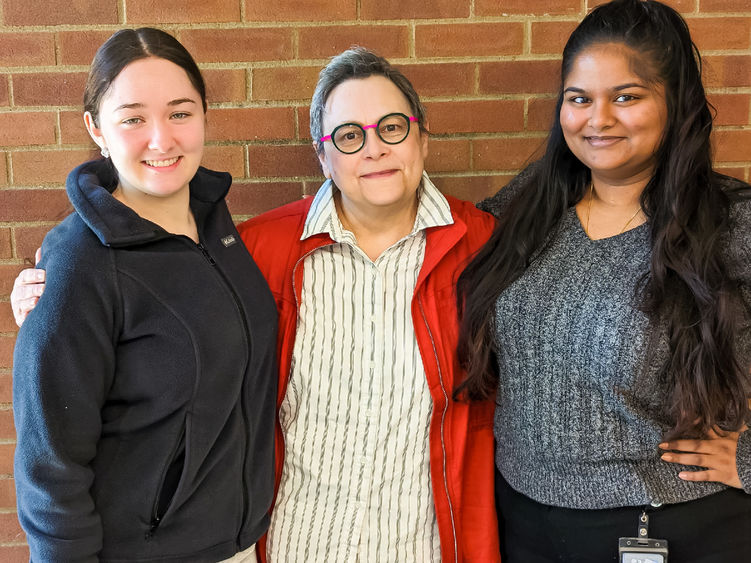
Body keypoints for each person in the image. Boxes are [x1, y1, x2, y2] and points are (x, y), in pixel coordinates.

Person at [11, 47, 500, 561]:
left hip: (415, 540)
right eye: (349, 135)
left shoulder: (486, 245)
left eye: (393, 127)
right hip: (289, 540)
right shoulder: (263, 248)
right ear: (322, 153)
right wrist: (58, 294)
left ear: (422, 136)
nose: (373, 149)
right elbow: (52, 461)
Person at [456, 0, 751, 561]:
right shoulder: (530, 206)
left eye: (627, 97)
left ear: (676, 103)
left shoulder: (734, 223)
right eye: (579, 98)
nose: (598, 119)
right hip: (520, 520)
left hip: (668, 525)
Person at [11, 28, 278, 562]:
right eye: (133, 118)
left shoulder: (218, 229)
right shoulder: (79, 263)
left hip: (236, 545)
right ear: (97, 129)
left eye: (180, 112)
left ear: (204, 115)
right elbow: (50, 467)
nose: (162, 139)